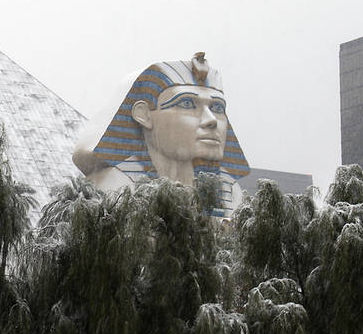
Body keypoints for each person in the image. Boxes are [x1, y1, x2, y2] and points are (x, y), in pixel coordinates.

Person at [72, 53, 250, 218]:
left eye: (218, 108)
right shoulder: (114, 189)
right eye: (187, 103)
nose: (212, 120)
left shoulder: (231, 194)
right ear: (144, 115)